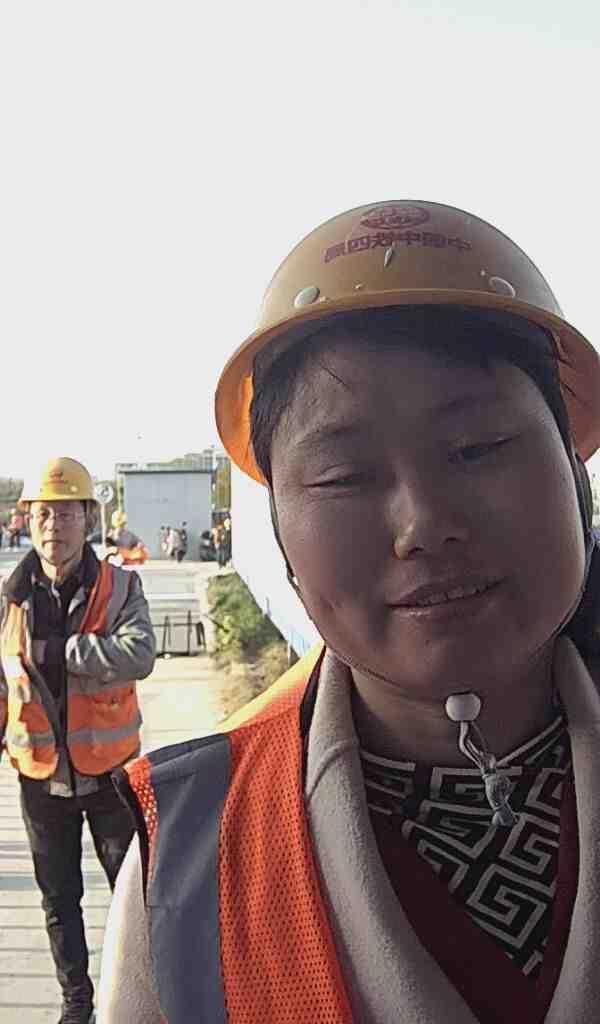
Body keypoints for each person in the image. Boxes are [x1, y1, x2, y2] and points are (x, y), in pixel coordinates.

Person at [99, 200, 600, 1023]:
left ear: (575, 476)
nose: (423, 524)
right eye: (344, 477)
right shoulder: (191, 857)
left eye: (478, 448)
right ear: (281, 535)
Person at [0, 457, 156, 1024]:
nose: (53, 526)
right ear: (28, 520)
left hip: (109, 772)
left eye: (66, 513)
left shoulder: (121, 587)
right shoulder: (9, 597)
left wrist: (63, 652)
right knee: (58, 900)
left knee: (131, 898)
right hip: (39, 775)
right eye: (44, 514)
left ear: (88, 518)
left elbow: (140, 654)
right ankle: (77, 1004)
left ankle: (139, 999)